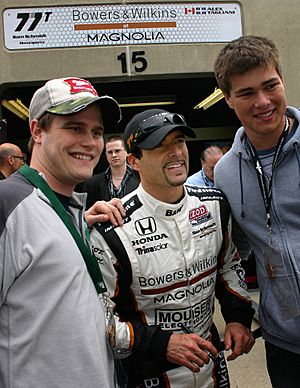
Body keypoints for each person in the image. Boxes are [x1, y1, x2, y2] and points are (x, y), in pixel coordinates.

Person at [90, 108, 255, 387]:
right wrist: (162, 343)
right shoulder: (112, 228)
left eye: (178, 141)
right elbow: (99, 319)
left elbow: (228, 266)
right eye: (159, 146)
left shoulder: (214, 204)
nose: (175, 152)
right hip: (148, 372)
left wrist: (237, 318)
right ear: (134, 161)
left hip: (211, 362)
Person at [0, 76, 128, 387]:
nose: (90, 141)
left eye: (96, 131)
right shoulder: (7, 204)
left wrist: (79, 222)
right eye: (74, 128)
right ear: (37, 131)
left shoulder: (71, 211)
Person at [213, 35, 300, 388]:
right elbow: (233, 251)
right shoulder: (225, 172)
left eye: (270, 86)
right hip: (285, 344)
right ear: (229, 99)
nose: (263, 101)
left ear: (282, 80)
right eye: (247, 93)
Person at [81, 135, 140, 208]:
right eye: (110, 152)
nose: (114, 155)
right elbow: (85, 212)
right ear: (106, 155)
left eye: (117, 151)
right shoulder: (93, 182)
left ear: (126, 152)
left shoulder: (140, 178)